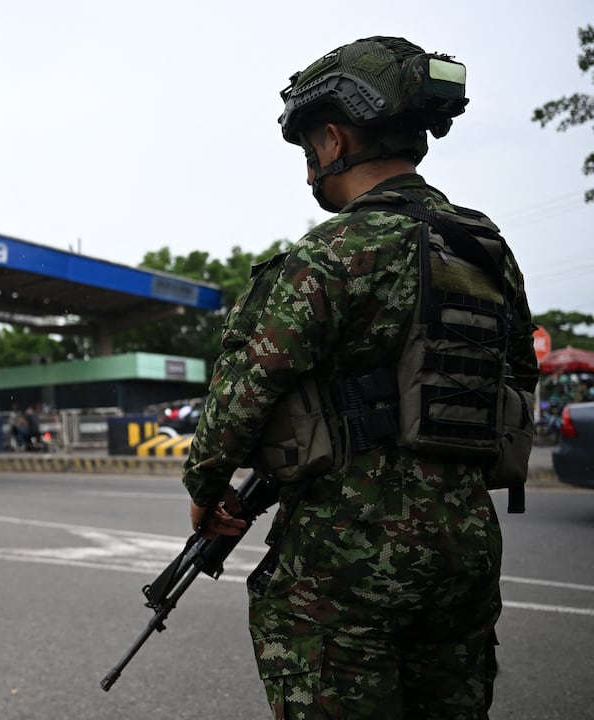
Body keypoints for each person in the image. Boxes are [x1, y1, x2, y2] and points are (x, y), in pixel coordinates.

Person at [181, 37, 536, 718]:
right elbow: (518, 382)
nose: (310, 164)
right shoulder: (486, 248)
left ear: (336, 140)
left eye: (309, 147)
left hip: (346, 557)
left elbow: (238, 399)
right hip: (465, 549)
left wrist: (206, 491)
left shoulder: (334, 253)